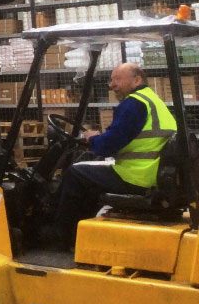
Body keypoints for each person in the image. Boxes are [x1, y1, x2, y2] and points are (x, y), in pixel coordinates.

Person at [54, 62, 178, 247]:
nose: (112, 85)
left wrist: (92, 139)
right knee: (90, 170)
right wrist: (100, 139)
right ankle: (85, 228)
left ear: (137, 80)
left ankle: (64, 238)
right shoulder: (152, 100)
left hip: (136, 176)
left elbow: (109, 145)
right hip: (152, 172)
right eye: (111, 80)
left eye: (117, 79)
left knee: (75, 173)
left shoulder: (133, 104)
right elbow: (125, 137)